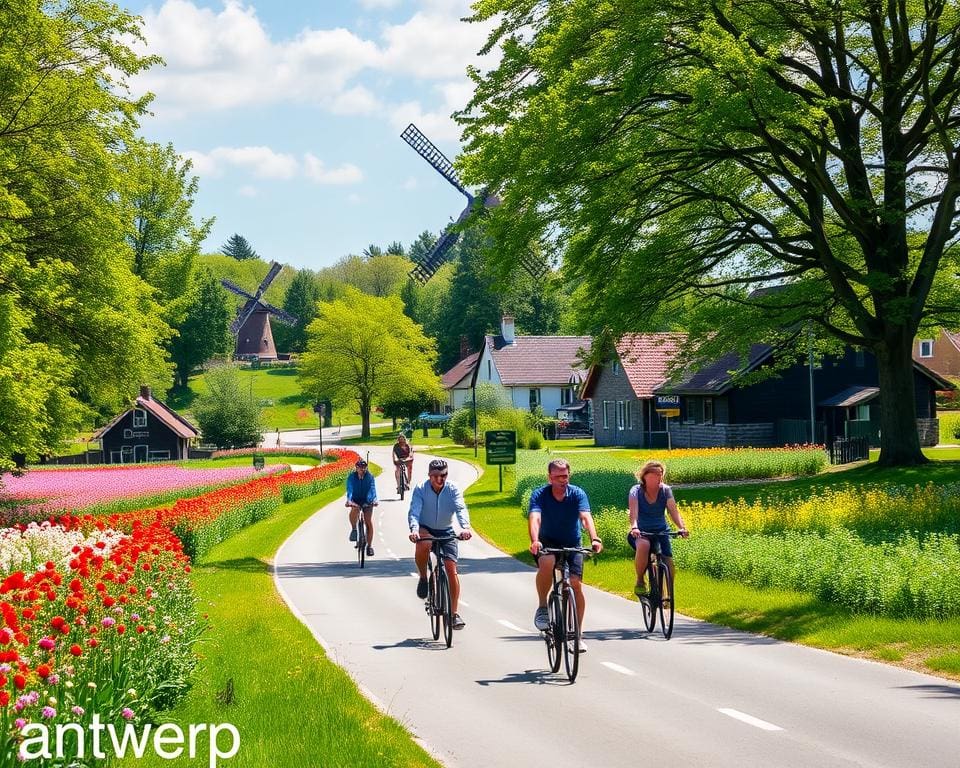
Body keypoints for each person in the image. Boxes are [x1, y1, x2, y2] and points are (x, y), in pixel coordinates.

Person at [528, 458, 602, 651]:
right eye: (558, 476)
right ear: (549, 477)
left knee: (575, 584)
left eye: (565, 476)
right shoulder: (540, 495)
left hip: (572, 542)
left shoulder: (577, 493)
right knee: (548, 561)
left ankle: (577, 635)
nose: (562, 480)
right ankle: (543, 606)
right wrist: (535, 540)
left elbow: (585, 517)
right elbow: (535, 518)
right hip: (547, 542)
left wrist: (594, 538)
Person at [408, 458, 472, 630]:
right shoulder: (421, 489)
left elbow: (460, 508)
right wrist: (414, 530)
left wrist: (465, 527)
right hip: (425, 528)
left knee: (451, 568)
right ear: (429, 476)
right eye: (435, 476)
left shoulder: (452, 489)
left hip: (446, 530)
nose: (439, 479)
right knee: (424, 543)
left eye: (443, 475)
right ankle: (423, 576)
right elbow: (414, 511)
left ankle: (454, 614)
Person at [627, 460, 689, 596]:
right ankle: (640, 580)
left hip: (661, 531)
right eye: (654, 474)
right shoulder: (636, 491)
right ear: (645, 476)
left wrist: (681, 527)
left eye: (660, 474)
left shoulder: (666, 490)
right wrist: (634, 527)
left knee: (668, 560)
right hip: (641, 532)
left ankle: (669, 594)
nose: (658, 477)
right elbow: (634, 513)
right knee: (643, 545)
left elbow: (673, 511)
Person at [346, 458, 378, 557]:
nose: (362, 469)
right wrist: (349, 500)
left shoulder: (369, 477)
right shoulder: (352, 477)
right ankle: (354, 528)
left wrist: (373, 500)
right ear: (356, 468)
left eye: (364, 467)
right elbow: (350, 489)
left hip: (367, 499)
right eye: (360, 468)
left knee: (368, 520)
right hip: (355, 499)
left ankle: (369, 546)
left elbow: (372, 489)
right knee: (354, 509)